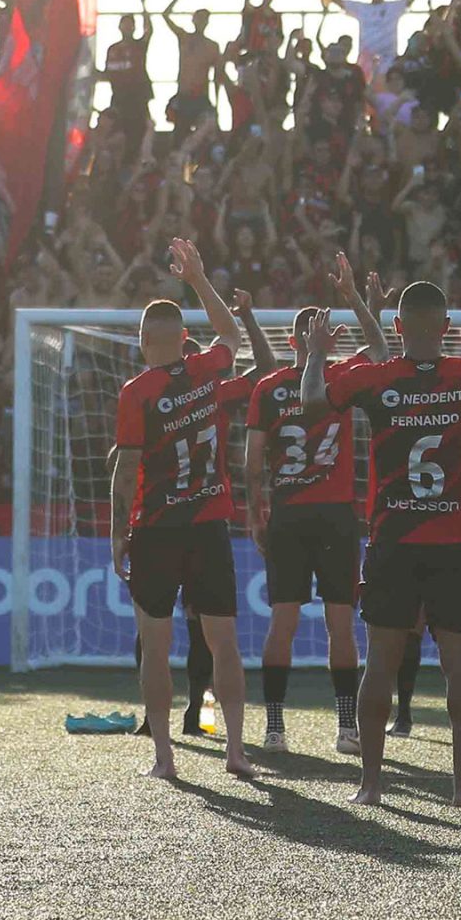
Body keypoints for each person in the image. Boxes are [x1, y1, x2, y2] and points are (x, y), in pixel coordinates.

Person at [299, 253, 461, 808]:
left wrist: (316, 355)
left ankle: (371, 784)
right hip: (455, 546)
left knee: (381, 663)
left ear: (396, 328)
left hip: (393, 543)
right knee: (459, 664)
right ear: (446, 328)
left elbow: (311, 400)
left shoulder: (374, 379)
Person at [109, 238, 265, 781]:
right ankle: (237, 751)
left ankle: (164, 757)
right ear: (180, 339)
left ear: (144, 340)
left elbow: (126, 470)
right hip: (208, 527)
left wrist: (115, 535)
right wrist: (198, 277)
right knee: (224, 643)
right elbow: (232, 335)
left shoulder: (137, 392)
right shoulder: (206, 372)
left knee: (156, 646)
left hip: (155, 529)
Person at [242, 257, 386, 754]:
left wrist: (254, 513)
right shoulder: (341, 376)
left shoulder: (267, 388)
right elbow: (383, 350)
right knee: (339, 623)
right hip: (335, 516)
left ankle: (275, 728)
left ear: (291, 343)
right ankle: (346, 728)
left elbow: (252, 461)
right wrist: (359, 300)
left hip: (289, 516)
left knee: (284, 619)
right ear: (327, 340)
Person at [333, 0, 414, 78]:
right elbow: (336, 0)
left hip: (388, 60)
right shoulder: (361, 8)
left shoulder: (392, 7)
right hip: (366, 60)